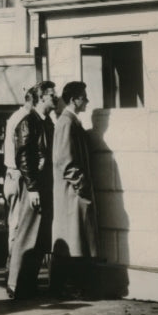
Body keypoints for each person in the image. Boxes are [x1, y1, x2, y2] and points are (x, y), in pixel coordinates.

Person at [5, 81, 57, 301]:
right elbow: (24, 156)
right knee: (27, 235)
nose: (56, 97)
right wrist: (33, 188)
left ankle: (28, 283)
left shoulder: (45, 123)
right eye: (53, 94)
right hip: (32, 185)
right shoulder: (29, 122)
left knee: (38, 238)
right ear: (42, 97)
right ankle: (16, 284)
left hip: (41, 184)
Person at [50, 80, 99, 300]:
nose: (86, 101)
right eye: (83, 97)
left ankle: (68, 287)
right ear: (73, 99)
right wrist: (81, 186)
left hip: (74, 193)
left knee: (74, 240)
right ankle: (71, 287)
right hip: (72, 194)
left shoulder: (70, 122)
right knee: (73, 240)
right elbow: (64, 161)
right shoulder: (66, 123)